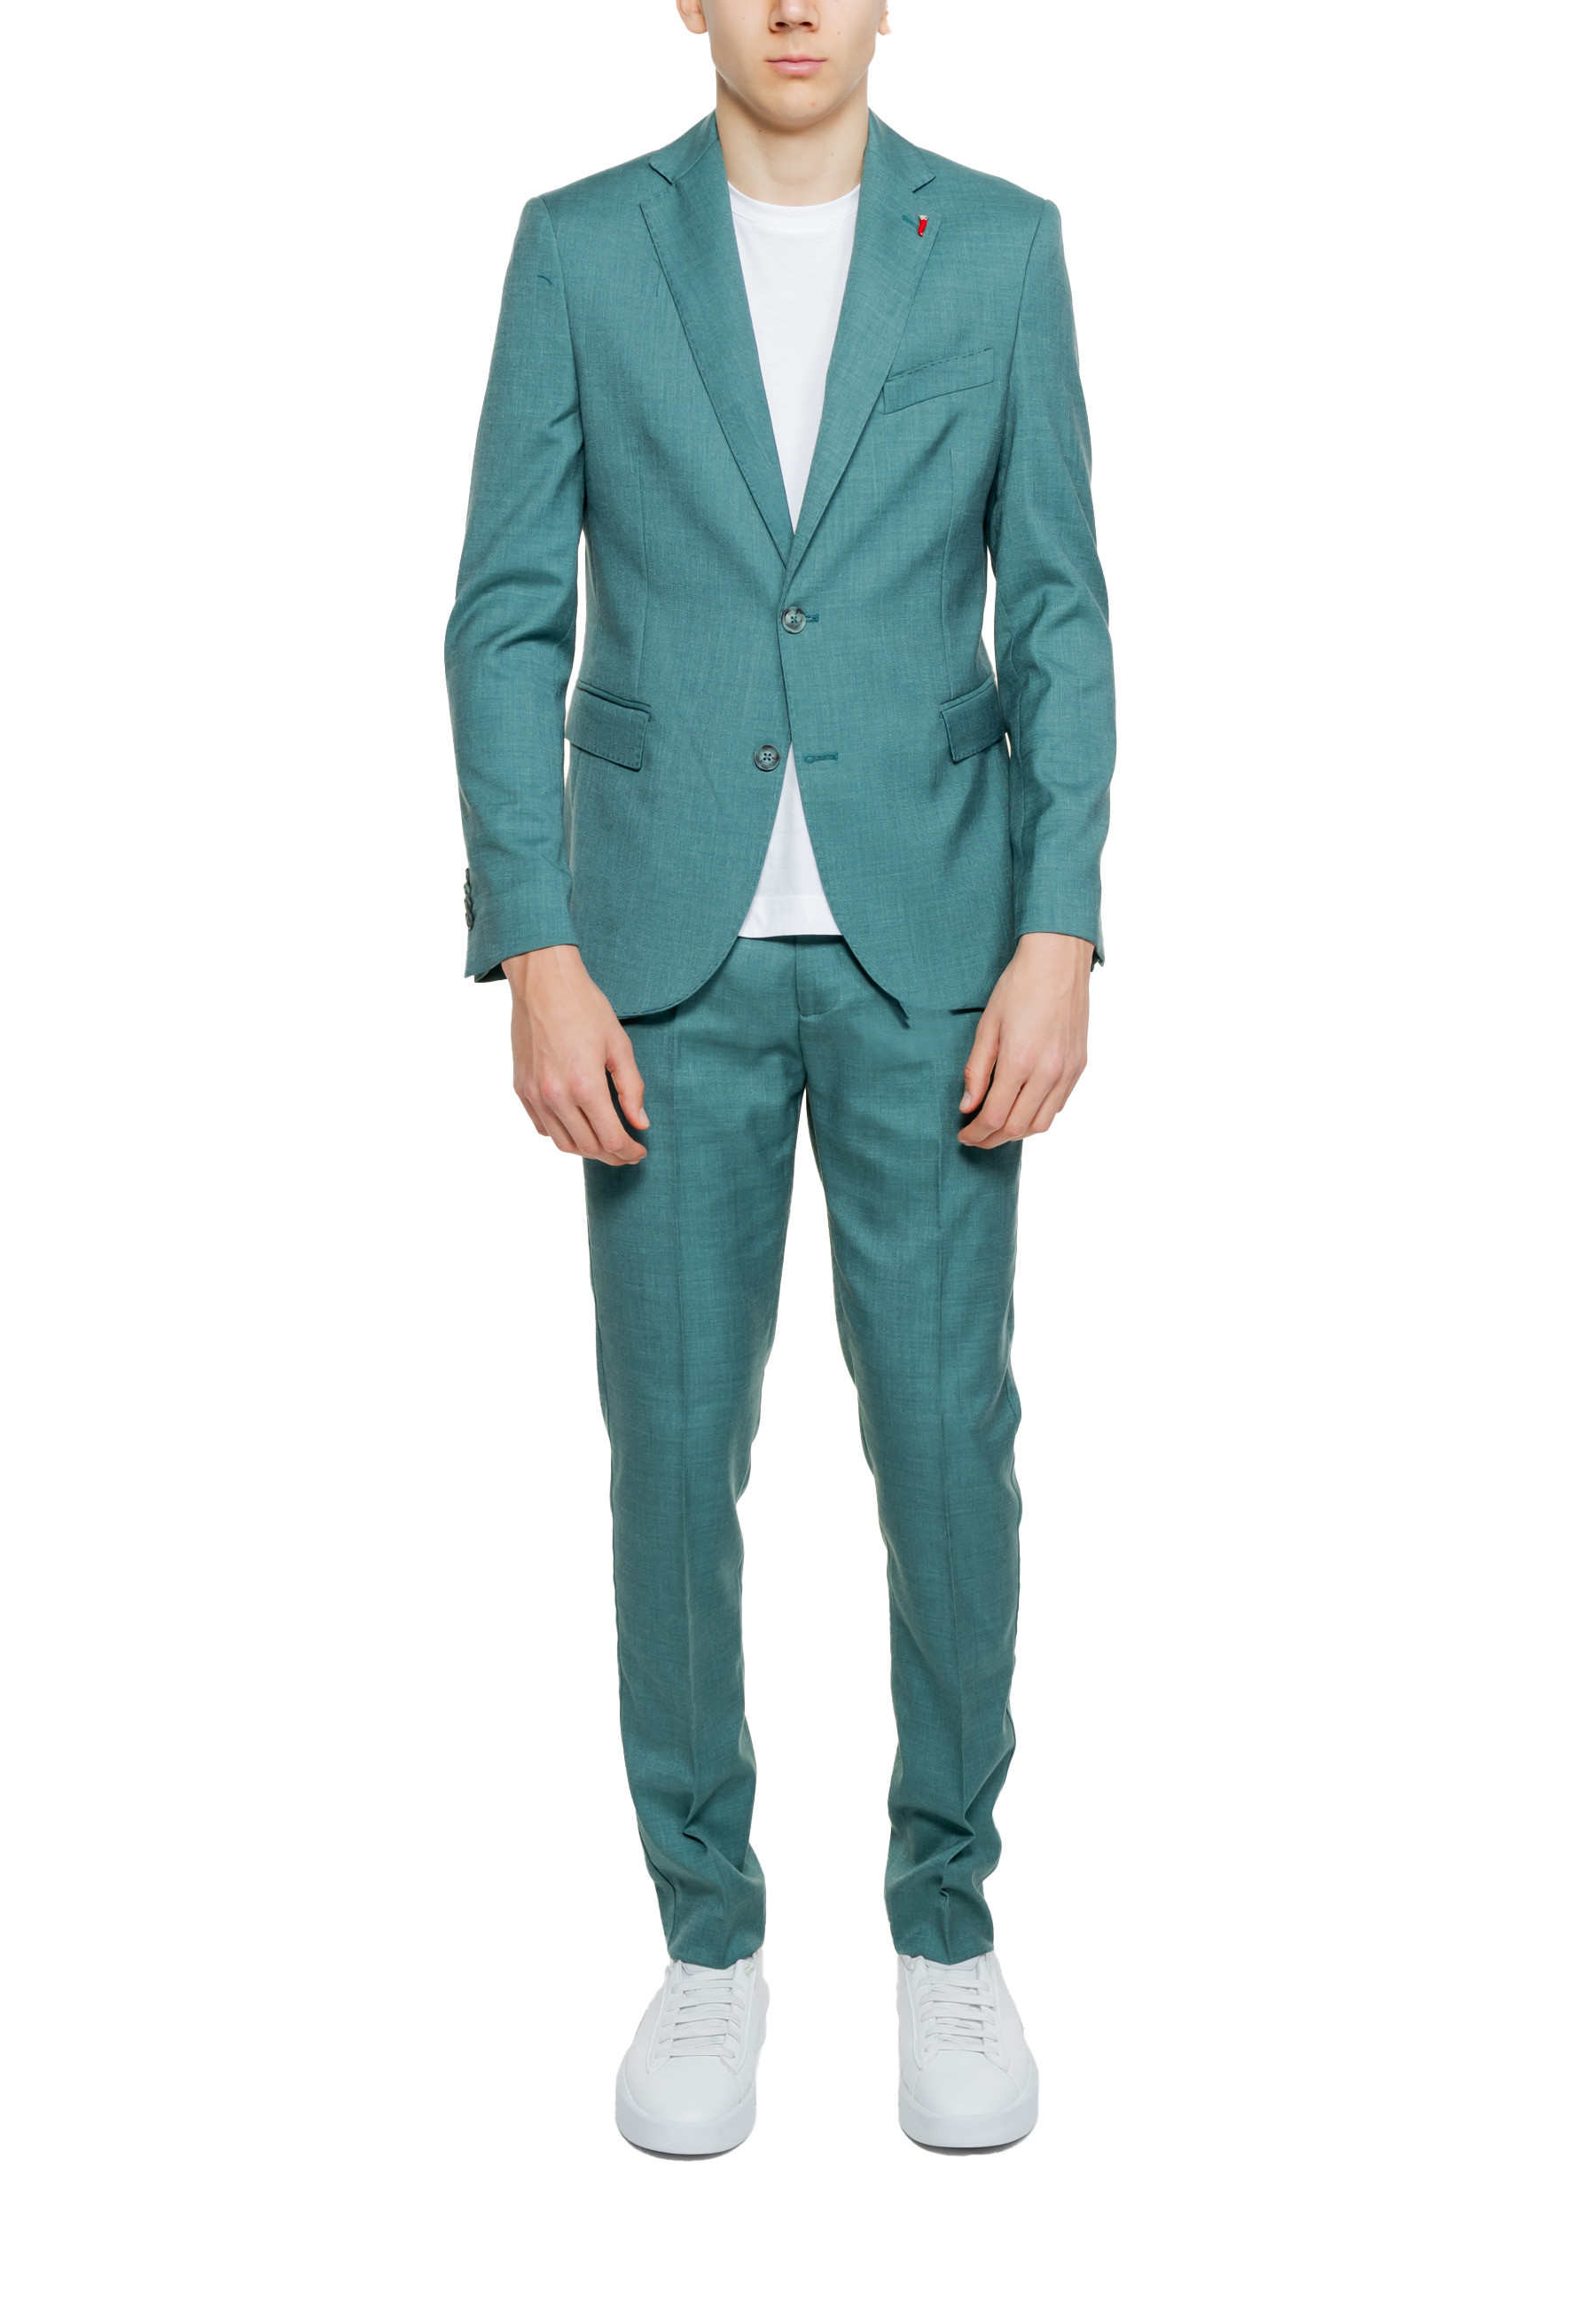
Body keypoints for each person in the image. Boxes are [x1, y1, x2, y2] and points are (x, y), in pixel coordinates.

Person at [445, 0, 1113, 2157]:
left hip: (939, 954)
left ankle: (946, 1925)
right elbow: (504, 616)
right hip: (659, 958)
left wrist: (1059, 924)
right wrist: (537, 940)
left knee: (947, 1452)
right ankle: (707, 1939)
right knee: (671, 1462)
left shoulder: (999, 247)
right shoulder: (579, 246)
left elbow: (1061, 613)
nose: (796, 5)